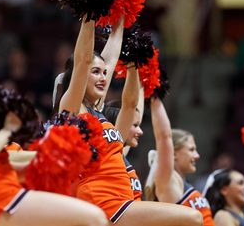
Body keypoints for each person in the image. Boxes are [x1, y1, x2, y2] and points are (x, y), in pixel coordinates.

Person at [56, 15, 203, 226]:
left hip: (120, 202)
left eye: (105, 73)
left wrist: (121, 23)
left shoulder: (97, 112)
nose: (103, 78)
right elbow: (83, 61)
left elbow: (130, 100)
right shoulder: (72, 108)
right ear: (79, 76)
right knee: (194, 218)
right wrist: (90, 14)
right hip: (104, 202)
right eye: (96, 73)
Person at [0, 72, 109, 226]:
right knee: (95, 218)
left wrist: (55, 157)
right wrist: (8, 131)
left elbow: (9, 165)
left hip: (1, 197)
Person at [144, 98, 215, 226]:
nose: (197, 155)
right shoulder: (168, 179)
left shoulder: (181, 182)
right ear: (174, 153)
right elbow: (164, 137)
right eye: (191, 150)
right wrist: (155, 98)